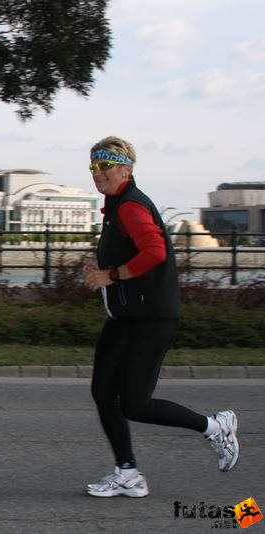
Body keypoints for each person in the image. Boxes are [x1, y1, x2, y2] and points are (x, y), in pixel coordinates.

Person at [82, 136, 240, 498]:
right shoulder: (116, 206)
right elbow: (133, 255)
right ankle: (128, 473)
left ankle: (215, 427)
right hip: (125, 319)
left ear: (126, 168)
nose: (98, 173)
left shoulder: (131, 207)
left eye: (105, 165)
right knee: (103, 391)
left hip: (150, 320)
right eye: (93, 166)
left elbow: (154, 251)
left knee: (135, 403)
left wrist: (112, 275)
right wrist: (102, 270)